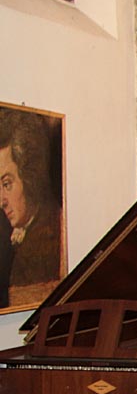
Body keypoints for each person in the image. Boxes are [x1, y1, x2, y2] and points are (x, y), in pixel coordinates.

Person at [0, 110, 63, 306]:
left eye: (7, 184)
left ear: (30, 178)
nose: (1, 201)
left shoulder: (46, 235)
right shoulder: (18, 234)